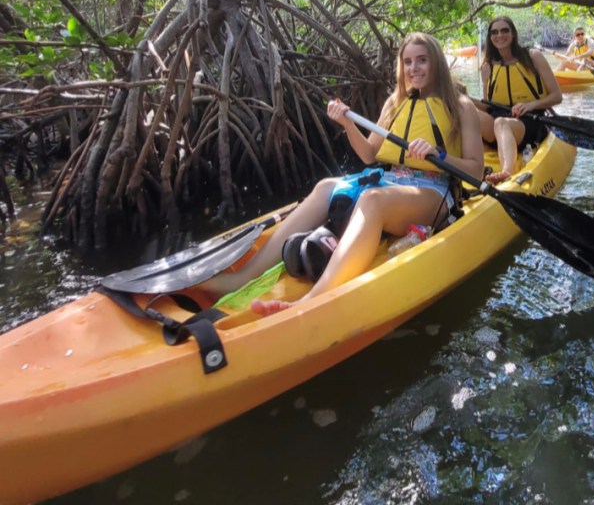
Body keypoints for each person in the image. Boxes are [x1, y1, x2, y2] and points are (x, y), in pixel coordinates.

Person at [201, 33, 484, 316]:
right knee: (326, 187)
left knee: (373, 199)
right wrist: (347, 124)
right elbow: (370, 155)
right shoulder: (394, 103)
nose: (414, 68)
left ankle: (312, 299)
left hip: (434, 190)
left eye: (422, 60)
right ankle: (241, 278)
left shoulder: (459, 106)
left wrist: (439, 156)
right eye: (408, 62)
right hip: (392, 180)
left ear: (436, 62)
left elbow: (476, 170)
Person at [476, 16, 562, 184]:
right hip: (497, 123)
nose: (499, 35)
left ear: (513, 34)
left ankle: (508, 170)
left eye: (504, 30)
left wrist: (531, 105)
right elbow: (488, 106)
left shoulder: (533, 57)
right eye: (494, 32)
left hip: (530, 121)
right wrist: (463, 100)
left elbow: (557, 96)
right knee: (465, 107)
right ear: (490, 37)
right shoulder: (487, 67)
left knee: (502, 122)